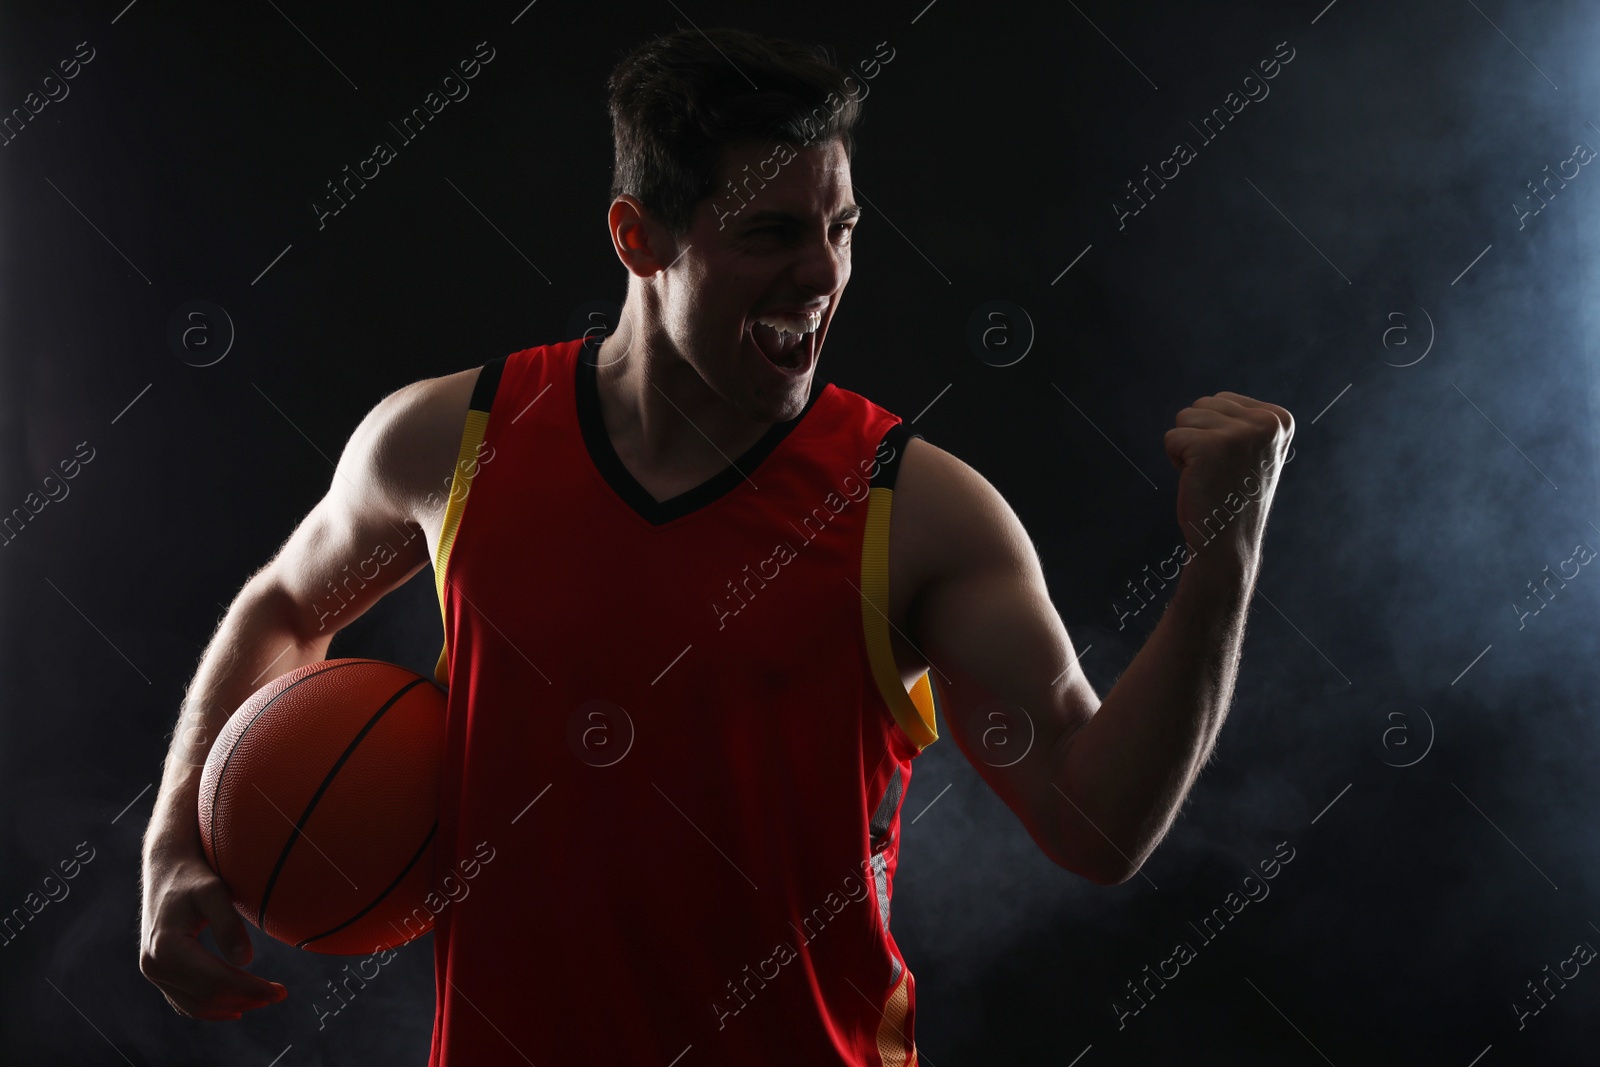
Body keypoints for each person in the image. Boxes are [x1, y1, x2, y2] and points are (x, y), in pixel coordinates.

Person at [138, 25, 1294, 1065]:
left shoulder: (917, 508)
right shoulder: (455, 440)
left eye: (841, 227)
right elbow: (287, 605)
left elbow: (1095, 825)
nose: (823, 271)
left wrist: (1222, 558)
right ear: (639, 238)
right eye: (771, 233)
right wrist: (177, 841)